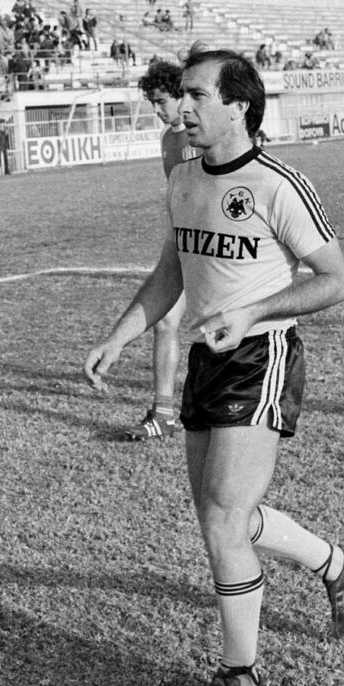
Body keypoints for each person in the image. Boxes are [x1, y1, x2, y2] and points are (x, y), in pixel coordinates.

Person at [84, 48, 344, 686]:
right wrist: (120, 335)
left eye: (196, 95)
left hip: (261, 356)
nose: (181, 107)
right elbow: (171, 271)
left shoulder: (277, 184)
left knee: (222, 517)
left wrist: (254, 311)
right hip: (207, 361)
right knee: (223, 515)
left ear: (238, 105)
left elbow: (336, 281)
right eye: (181, 94)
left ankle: (242, 677)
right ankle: (335, 562)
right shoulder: (183, 177)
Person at [119, 60, 198, 441]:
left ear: (181, 96)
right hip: (184, 244)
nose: (157, 109)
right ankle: (163, 413)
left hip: (212, 250)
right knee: (165, 322)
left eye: (161, 101)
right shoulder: (168, 139)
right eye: (152, 102)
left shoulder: (200, 138)